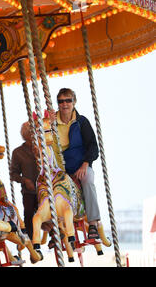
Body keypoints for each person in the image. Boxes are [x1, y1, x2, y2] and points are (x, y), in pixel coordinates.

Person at [49, 88, 101, 239]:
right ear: (57, 104)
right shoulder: (52, 123)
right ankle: (52, 227)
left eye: (68, 100)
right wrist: (47, 124)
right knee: (45, 187)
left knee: (88, 180)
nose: (64, 104)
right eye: (61, 101)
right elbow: (43, 142)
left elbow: (93, 146)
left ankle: (93, 223)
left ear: (74, 102)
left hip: (80, 165)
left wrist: (85, 164)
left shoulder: (81, 121)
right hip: (60, 168)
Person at [10, 122, 39, 238]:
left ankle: (55, 234)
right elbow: (13, 174)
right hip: (29, 190)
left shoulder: (43, 149)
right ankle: (32, 241)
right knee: (28, 213)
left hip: (45, 188)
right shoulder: (18, 153)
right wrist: (25, 180)